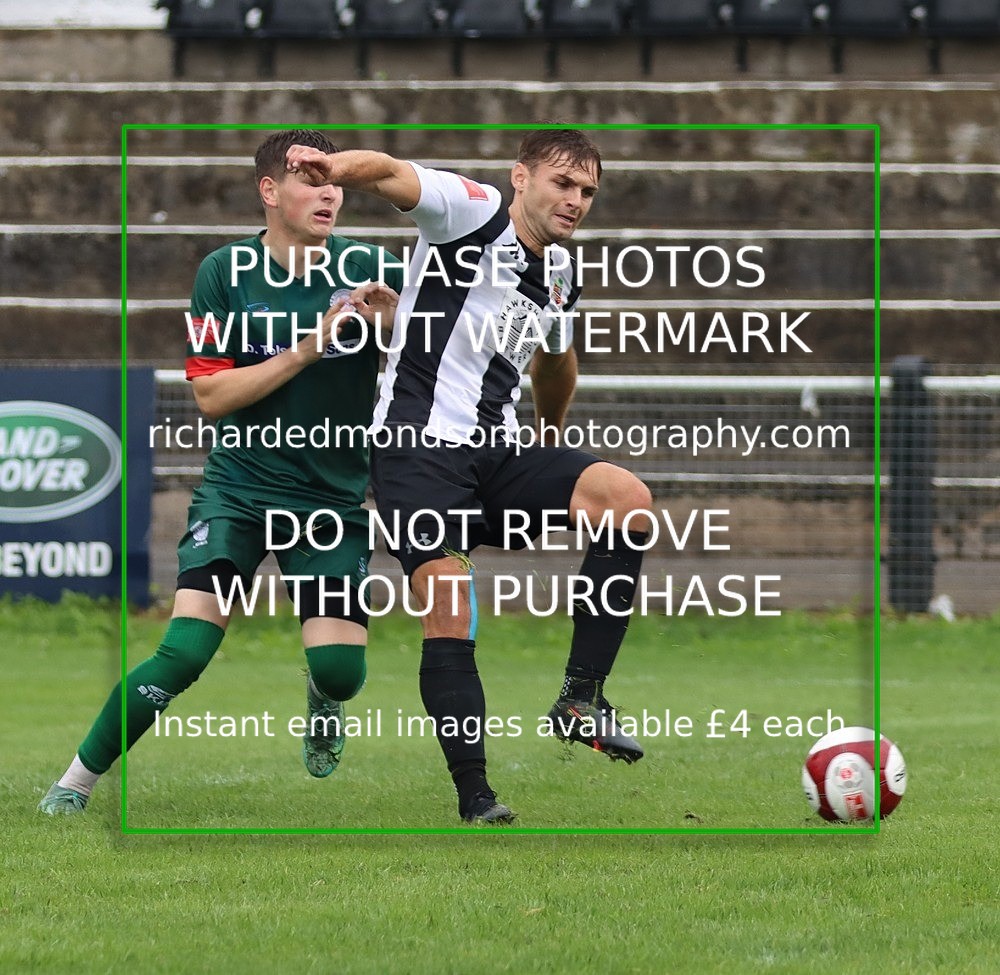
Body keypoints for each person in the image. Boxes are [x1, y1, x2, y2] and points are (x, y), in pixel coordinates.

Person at [284, 128, 653, 825]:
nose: (574, 201)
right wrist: (334, 167)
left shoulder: (562, 275)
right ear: (522, 176)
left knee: (625, 499)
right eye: (562, 184)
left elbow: (554, 362)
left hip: (501, 454)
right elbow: (391, 171)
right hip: (418, 450)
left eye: (586, 192)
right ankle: (475, 794)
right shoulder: (472, 209)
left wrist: (552, 437)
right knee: (448, 603)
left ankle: (581, 698)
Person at [39, 129, 403, 814]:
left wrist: (391, 331)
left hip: (332, 500)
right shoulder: (223, 273)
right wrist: (308, 347)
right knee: (183, 652)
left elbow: (425, 371)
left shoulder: (368, 268)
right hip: (238, 492)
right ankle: (74, 782)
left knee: (341, 670)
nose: (328, 193)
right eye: (309, 179)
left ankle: (323, 695)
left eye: (335, 182)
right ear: (270, 191)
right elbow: (210, 395)